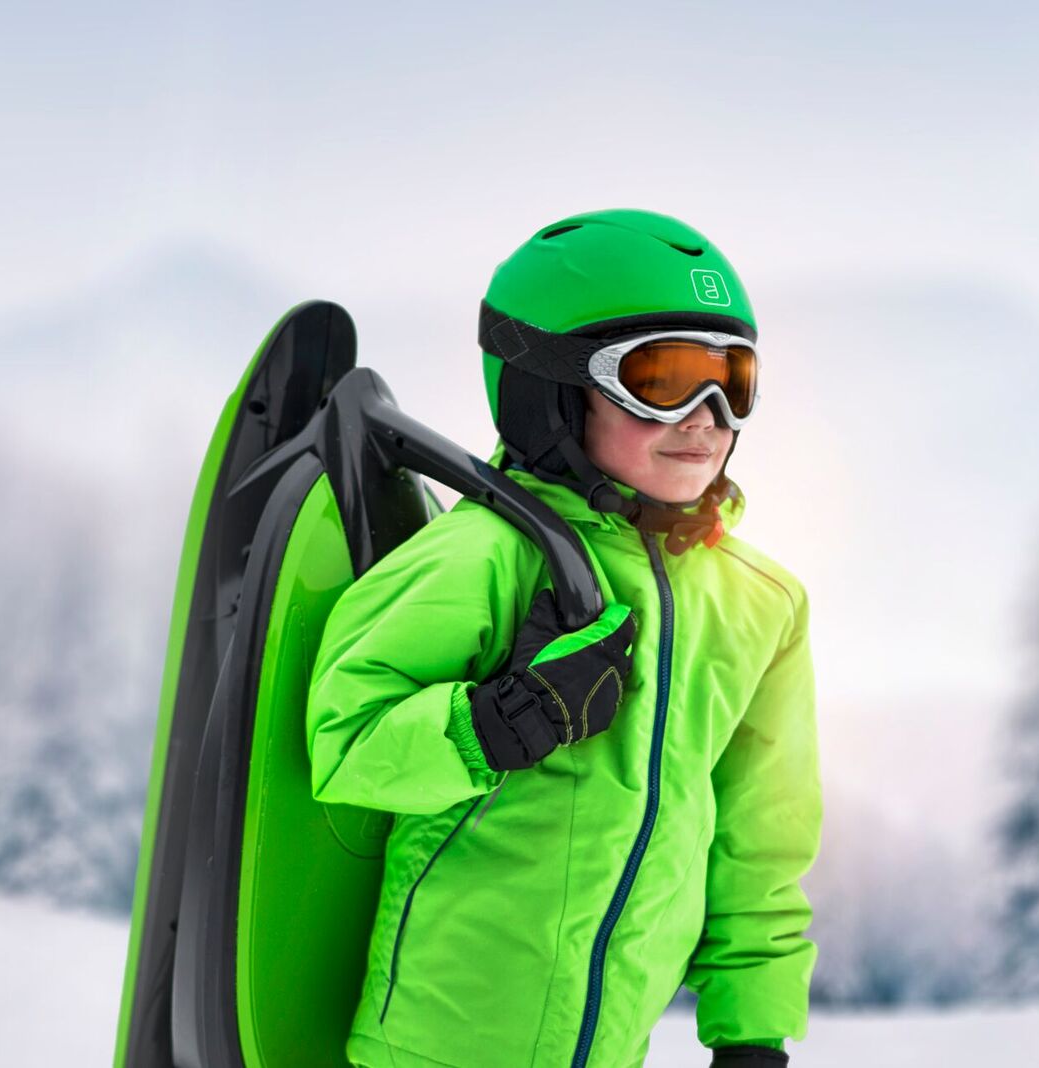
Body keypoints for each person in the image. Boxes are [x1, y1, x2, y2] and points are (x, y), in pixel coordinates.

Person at [305, 208, 822, 1068]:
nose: (707, 417)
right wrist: (501, 723)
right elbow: (344, 745)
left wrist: (753, 1036)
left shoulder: (760, 603)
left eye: (732, 381)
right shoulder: (481, 558)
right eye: (664, 378)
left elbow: (760, 844)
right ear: (547, 392)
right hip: (435, 1048)